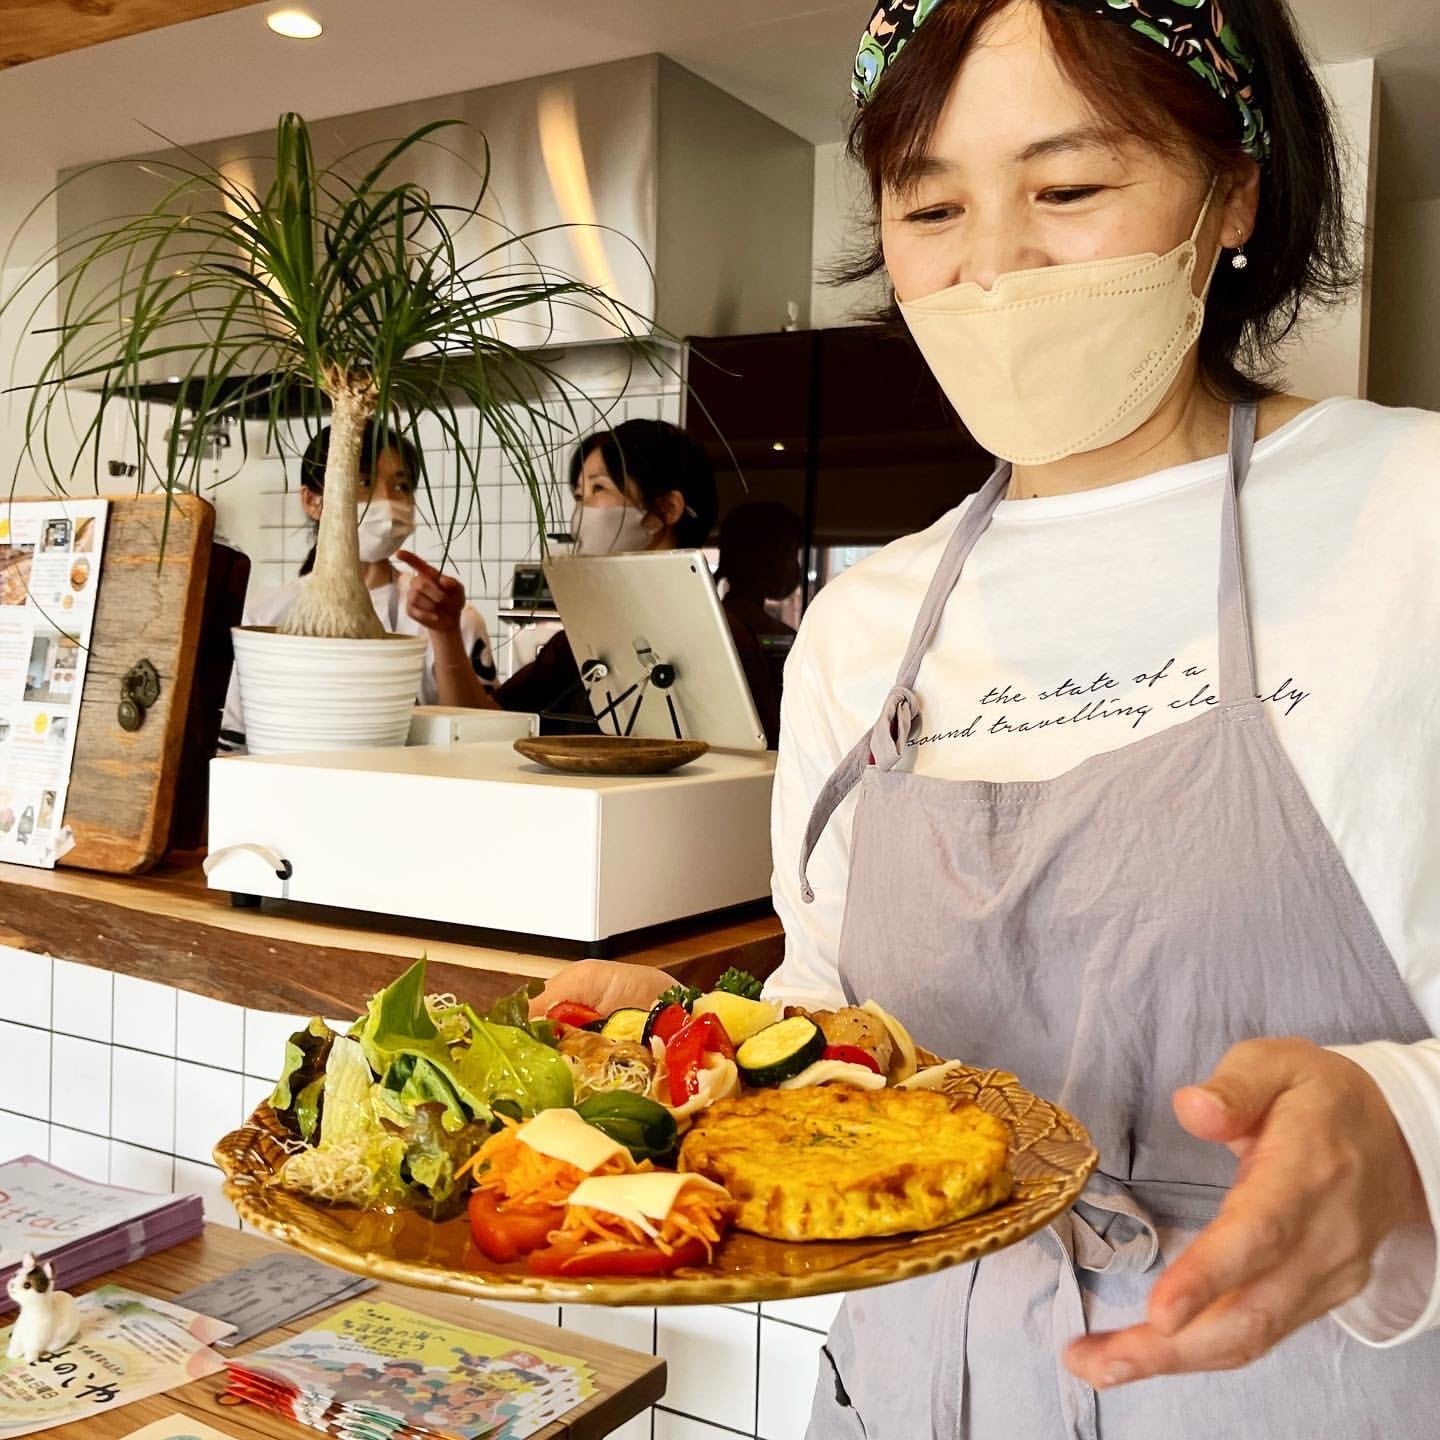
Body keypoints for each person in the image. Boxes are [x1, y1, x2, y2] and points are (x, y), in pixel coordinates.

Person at [531, 0, 1440, 1434]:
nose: (995, 264)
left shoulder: (1414, 521)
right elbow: (841, 1028)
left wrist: (1412, 1128)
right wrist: (693, 1047)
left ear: (1235, 194)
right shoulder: (867, 629)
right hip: (908, 1393)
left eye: (1069, 189)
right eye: (931, 205)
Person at [428, 419, 723, 732]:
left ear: (665, 509)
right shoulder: (578, 643)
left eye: (599, 488)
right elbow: (480, 727)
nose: (581, 512)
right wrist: (446, 631)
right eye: (579, 496)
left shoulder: (721, 639)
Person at [220, 422, 497, 748]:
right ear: (312, 501)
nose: (387, 501)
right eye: (363, 483)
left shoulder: (446, 613)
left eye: (402, 486)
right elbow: (233, 745)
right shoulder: (262, 619)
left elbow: (482, 743)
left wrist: (445, 633)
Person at [716, 502, 803, 746]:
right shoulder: (761, 632)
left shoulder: (719, 619)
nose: (796, 567)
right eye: (791, 554)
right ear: (768, 558)